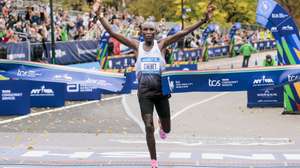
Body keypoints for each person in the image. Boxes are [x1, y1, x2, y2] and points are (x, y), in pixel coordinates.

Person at [94, 1, 215, 167]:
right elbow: (112, 34)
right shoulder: (136, 46)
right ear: (141, 32)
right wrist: (100, 16)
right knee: (148, 126)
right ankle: (153, 160)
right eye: (146, 29)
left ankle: (162, 124)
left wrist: (204, 20)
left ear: (156, 32)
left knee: (167, 129)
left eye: (152, 29)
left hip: (161, 92)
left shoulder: (162, 45)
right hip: (144, 94)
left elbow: (184, 32)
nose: (149, 32)